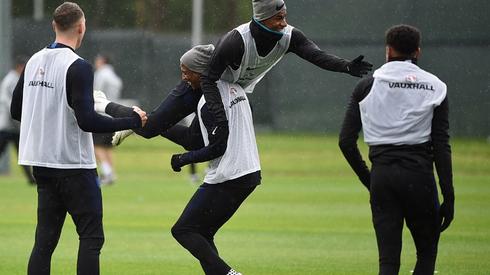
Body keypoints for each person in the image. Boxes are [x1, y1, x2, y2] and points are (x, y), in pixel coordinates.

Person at [109, 0, 373, 146]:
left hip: (228, 89)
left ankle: (152, 120)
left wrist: (346, 66)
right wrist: (220, 118)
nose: (283, 23)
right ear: (261, 18)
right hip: (204, 84)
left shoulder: (290, 36)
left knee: (194, 143)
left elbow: (316, 55)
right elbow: (209, 80)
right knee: (149, 128)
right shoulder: (235, 41)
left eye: (285, 16)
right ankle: (110, 106)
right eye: (277, 18)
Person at [10, 2, 147, 275]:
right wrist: (130, 122)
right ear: (81, 27)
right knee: (91, 237)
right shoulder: (79, 66)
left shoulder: (33, 61)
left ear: (54, 26)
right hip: (74, 166)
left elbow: (16, 110)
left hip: (43, 165)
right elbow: (87, 121)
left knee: (44, 243)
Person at [97, 44, 258, 275]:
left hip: (229, 176)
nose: (183, 77)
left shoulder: (208, 105)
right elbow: (193, 138)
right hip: (248, 173)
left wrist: (183, 159)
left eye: (187, 71)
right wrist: (150, 124)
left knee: (184, 231)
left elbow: (212, 147)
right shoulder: (235, 88)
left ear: (201, 71)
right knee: (202, 234)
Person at [338, 24, 454, 275]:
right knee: (426, 255)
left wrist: (370, 179)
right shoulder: (436, 86)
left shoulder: (366, 86)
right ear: (418, 52)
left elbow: (346, 142)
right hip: (420, 177)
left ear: (388, 50)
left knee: (388, 262)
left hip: (383, 176)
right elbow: (442, 145)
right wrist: (449, 195)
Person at [0, 55, 35, 184]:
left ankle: (31, 179)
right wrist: (17, 113)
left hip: (15, 125)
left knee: (22, 153)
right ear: (19, 67)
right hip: (6, 124)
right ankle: (31, 179)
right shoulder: (11, 79)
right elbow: (5, 99)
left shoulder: (18, 78)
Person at [93, 54, 123, 185]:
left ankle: (107, 173)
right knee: (107, 147)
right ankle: (112, 174)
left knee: (96, 147)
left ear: (102, 61)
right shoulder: (115, 77)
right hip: (113, 115)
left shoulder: (101, 74)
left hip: (101, 114)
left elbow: (95, 93)